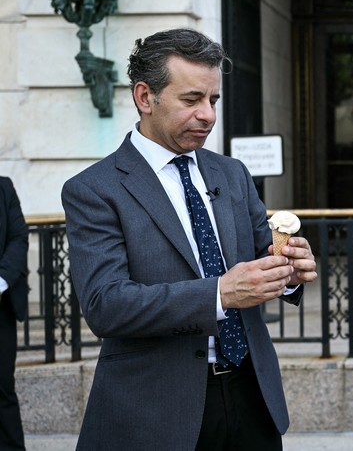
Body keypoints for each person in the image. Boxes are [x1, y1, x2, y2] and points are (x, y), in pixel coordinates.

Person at [62, 28, 318, 451]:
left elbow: (261, 255)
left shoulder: (231, 173)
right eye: (191, 100)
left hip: (252, 396)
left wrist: (290, 270)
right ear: (145, 97)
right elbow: (106, 306)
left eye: (213, 100)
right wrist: (220, 293)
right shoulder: (94, 189)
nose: (208, 115)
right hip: (155, 411)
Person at [0, 176, 28, 451]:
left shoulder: (4, 186)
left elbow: (18, 236)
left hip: (1, 306)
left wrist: (1, 281)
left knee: (2, 387)